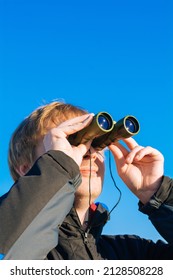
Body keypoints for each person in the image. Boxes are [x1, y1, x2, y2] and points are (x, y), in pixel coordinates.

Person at [0, 101, 173, 260]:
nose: (88, 153)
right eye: (71, 142)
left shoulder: (130, 253)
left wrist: (158, 194)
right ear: (26, 169)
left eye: (97, 143)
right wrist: (61, 166)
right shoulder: (20, 247)